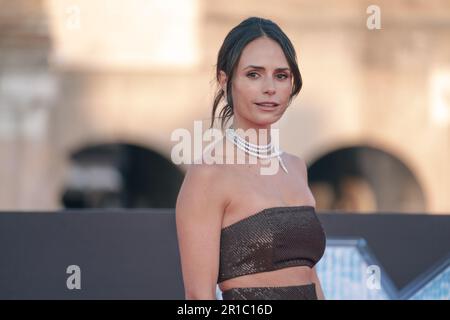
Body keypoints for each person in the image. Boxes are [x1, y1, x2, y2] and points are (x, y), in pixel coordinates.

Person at [175, 17, 326, 300]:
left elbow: (311, 276)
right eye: (253, 74)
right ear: (225, 81)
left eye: (281, 76)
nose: (269, 88)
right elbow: (198, 297)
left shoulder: (296, 167)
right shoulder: (209, 174)